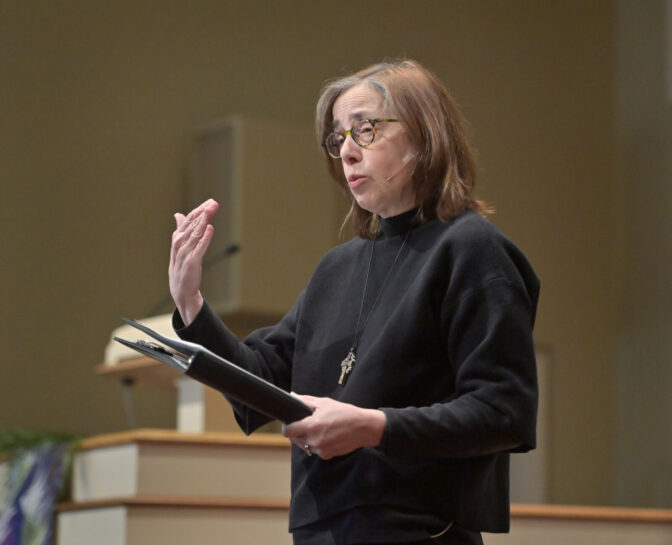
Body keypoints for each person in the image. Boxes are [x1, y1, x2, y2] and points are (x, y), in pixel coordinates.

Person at [169, 60, 540, 545]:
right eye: (338, 137)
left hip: (418, 530)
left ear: (425, 135)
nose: (345, 150)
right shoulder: (336, 269)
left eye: (364, 130)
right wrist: (191, 304)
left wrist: (373, 426)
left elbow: (504, 410)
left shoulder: (472, 249)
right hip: (323, 529)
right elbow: (258, 386)